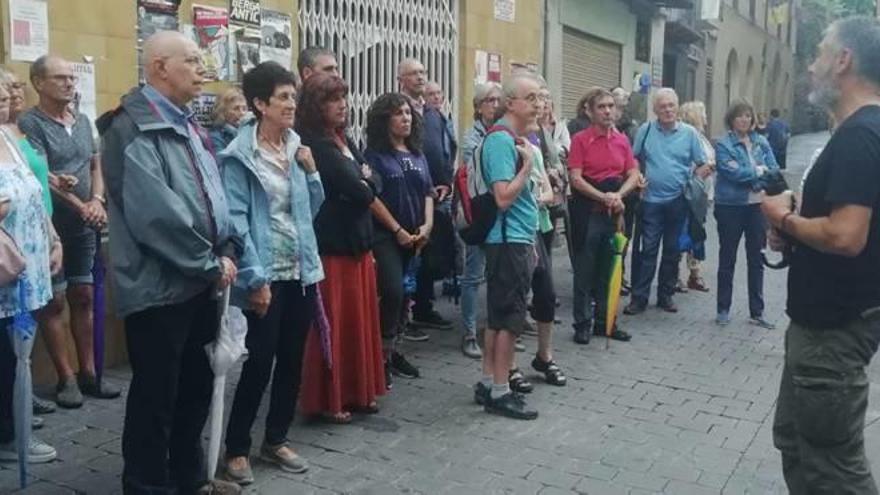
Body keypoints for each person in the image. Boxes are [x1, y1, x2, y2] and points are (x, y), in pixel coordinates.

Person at [98, 31, 241, 495]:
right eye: (193, 61)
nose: (203, 70)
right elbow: (156, 216)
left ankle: (190, 476)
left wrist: (228, 246)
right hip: (160, 286)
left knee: (195, 387)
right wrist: (207, 261)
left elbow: (211, 193)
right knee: (156, 396)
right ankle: (146, 484)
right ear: (160, 67)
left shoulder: (186, 122)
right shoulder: (132, 128)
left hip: (199, 281)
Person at [762, 17, 880, 493]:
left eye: (819, 53)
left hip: (833, 331)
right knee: (797, 441)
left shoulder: (860, 135)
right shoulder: (857, 132)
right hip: (823, 323)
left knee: (832, 464)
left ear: (843, 60)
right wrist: (796, 228)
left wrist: (784, 219)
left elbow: (846, 236)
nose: (811, 65)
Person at [220, 62, 323, 483]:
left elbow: (311, 210)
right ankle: (237, 447)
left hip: (300, 271)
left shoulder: (297, 147)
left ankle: (276, 438)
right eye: (283, 97)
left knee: (293, 359)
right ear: (259, 103)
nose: (291, 104)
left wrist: (312, 172)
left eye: (293, 97)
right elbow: (236, 222)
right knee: (260, 360)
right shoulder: (239, 158)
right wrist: (255, 278)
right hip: (263, 274)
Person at [18, 55, 119, 409]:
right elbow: (40, 174)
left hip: (85, 225)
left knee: (84, 295)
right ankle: (65, 377)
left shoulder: (83, 120)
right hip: (52, 224)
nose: (68, 84)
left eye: (71, 78)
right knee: (54, 301)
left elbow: (96, 163)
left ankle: (90, 372)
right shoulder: (30, 123)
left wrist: (96, 199)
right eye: (59, 78)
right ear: (38, 83)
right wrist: (80, 206)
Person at [297, 73, 386, 424]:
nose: (342, 106)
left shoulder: (344, 138)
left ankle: (358, 391)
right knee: (335, 324)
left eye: (343, 99)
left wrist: (366, 180)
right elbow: (362, 188)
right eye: (333, 100)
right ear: (316, 107)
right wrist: (365, 179)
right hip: (333, 249)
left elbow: (372, 180)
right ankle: (330, 398)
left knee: (359, 325)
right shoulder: (318, 145)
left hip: (358, 245)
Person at [472, 73, 541, 420]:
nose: (538, 105)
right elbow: (501, 197)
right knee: (509, 318)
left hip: (512, 238)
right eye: (531, 98)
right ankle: (500, 390)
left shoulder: (511, 137)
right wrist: (527, 167)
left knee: (499, 316)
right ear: (510, 102)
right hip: (507, 239)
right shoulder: (502, 141)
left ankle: (489, 382)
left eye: (540, 98)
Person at [0, 78, 61, 465]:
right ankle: (8, 437)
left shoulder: (9, 137)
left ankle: (15, 422)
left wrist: (54, 239)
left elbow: (36, 193)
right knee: (3, 359)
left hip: (27, 266)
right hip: (3, 271)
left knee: (16, 354)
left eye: (4, 97)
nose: (3, 104)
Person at [365, 93, 432, 382]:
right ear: (384, 120)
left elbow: (428, 191)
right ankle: (378, 357)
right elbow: (372, 198)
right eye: (397, 113)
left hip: (416, 236)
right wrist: (397, 230)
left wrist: (427, 225)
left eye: (407, 112)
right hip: (386, 235)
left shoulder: (417, 153)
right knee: (391, 291)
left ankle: (393, 352)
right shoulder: (374, 156)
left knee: (406, 295)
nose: (405, 118)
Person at [624, 88, 709, 315]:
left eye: (671, 105)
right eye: (663, 106)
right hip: (650, 201)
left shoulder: (690, 134)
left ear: (677, 106)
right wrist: (637, 175)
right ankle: (639, 298)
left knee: (672, 251)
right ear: (655, 110)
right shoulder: (646, 130)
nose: (668, 110)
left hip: (678, 201)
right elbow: (634, 157)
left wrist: (692, 183)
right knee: (647, 250)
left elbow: (703, 163)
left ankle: (666, 295)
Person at [567, 87, 639, 345]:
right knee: (585, 271)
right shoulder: (580, 140)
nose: (608, 111)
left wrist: (619, 195)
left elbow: (633, 173)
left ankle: (606, 322)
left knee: (610, 270)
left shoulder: (622, 140)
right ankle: (582, 323)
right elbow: (575, 178)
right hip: (588, 213)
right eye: (602, 107)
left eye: (611, 106)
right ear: (589, 110)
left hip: (615, 213)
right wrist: (603, 196)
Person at [398, 61, 455, 339]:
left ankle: (423, 306)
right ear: (401, 79)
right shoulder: (398, 108)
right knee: (410, 255)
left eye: (423, 72)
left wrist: (445, 182)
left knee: (430, 253)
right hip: (409, 192)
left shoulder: (431, 112)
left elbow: (441, 150)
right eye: (413, 73)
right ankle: (403, 316)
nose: (420, 77)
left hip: (434, 192)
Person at [714, 100, 778, 328]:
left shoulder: (761, 142)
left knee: (756, 258)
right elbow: (731, 173)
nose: (744, 120)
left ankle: (757, 311)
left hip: (756, 207)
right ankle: (723, 308)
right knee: (727, 258)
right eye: (740, 116)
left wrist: (758, 174)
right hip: (730, 206)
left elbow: (774, 171)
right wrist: (757, 172)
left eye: (748, 116)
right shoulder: (723, 144)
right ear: (732, 119)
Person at [458, 81, 501, 359]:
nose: (495, 106)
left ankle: (497, 330)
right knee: (473, 274)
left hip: (502, 211)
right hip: (480, 211)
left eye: (499, 100)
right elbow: (478, 167)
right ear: (478, 106)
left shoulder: (504, 132)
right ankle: (469, 332)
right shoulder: (472, 136)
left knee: (498, 274)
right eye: (490, 101)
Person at [677, 101, 715, 293]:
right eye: (704, 113)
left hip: (702, 194)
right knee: (683, 233)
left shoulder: (702, 138)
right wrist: (702, 170)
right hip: (690, 193)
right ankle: (675, 275)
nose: (707, 118)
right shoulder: (686, 137)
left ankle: (694, 273)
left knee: (697, 233)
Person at [208, 87, 247, 154]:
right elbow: (222, 162)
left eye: (244, 109)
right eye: (236, 109)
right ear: (223, 111)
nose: (242, 113)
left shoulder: (249, 131)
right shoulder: (215, 137)